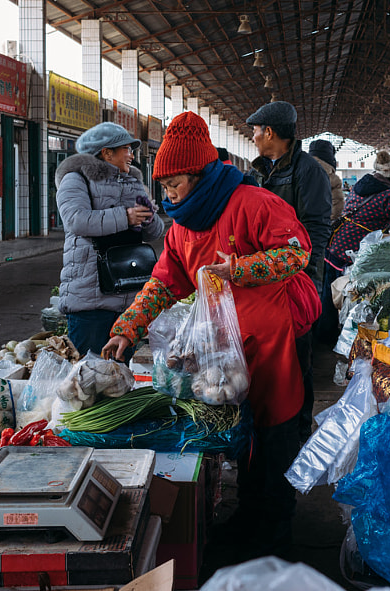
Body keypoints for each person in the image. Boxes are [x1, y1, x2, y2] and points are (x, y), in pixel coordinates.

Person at [102, 111, 317, 557]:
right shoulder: (182, 226)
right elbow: (165, 281)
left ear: (199, 174)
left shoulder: (252, 203)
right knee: (242, 438)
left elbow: (297, 251)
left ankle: (275, 539)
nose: (168, 194)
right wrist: (128, 328)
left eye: (174, 183)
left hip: (271, 343)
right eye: (164, 186)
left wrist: (238, 269)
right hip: (223, 355)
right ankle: (247, 519)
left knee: (275, 439)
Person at [246, 101, 330, 436]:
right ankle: (270, 431)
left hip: (296, 282)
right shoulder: (260, 171)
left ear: (270, 132)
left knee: (298, 361)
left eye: (254, 130)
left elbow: (316, 230)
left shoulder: (307, 171)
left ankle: (298, 432)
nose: (252, 137)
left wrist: (306, 278)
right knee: (271, 364)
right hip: (265, 282)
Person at [54, 122, 166, 358]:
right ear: (107, 152)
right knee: (88, 374)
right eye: (126, 148)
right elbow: (76, 220)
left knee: (121, 377)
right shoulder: (76, 179)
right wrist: (126, 216)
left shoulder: (133, 181)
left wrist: (147, 218)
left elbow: (155, 232)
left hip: (129, 297)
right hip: (91, 300)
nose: (131, 155)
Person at [308, 139, 345, 222]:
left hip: (297, 225)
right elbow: (337, 205)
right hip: (321, 224)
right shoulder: (331, 177)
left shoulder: (299, 170)